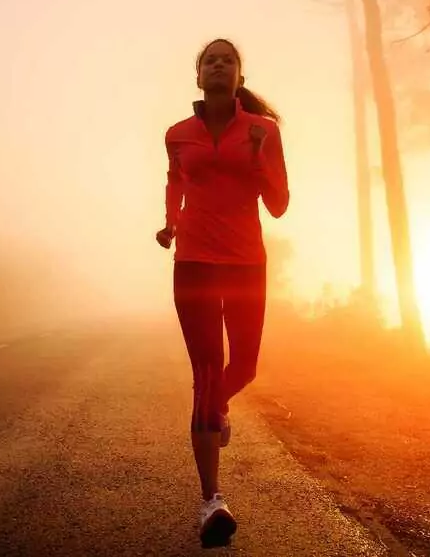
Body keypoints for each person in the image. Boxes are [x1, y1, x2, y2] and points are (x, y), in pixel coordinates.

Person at [155, 38, 290, 547]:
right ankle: (212, 500)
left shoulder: (264, 131)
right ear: (198, 76)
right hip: (192, 263)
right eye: (209, 59)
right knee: (208, 374)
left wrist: (258, 160)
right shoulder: (176, 135)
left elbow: (278, 204)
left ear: (238, 75)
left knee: (245, 368)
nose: (218, 65)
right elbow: (174, 183)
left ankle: (216, 411)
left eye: (226, 60)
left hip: (245, 264)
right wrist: (170, 224)